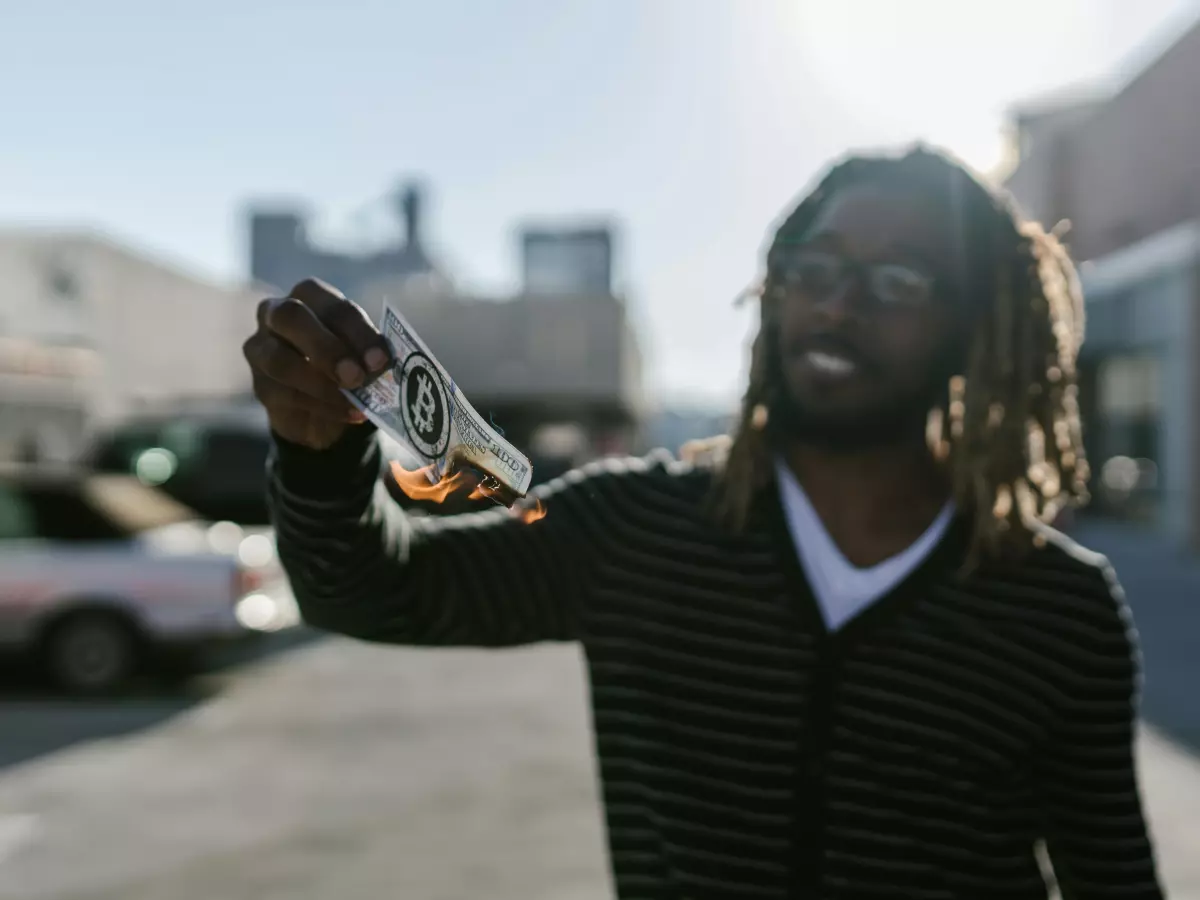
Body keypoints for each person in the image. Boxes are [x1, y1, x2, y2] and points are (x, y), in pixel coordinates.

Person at [242, 145, 1164, 899]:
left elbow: (1112, 881)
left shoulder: (1058, 609)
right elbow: (369, 589)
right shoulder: (633, 530)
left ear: (975, 327)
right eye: (816, 269)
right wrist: (322, 457)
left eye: (897, 281)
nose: (839, 305)